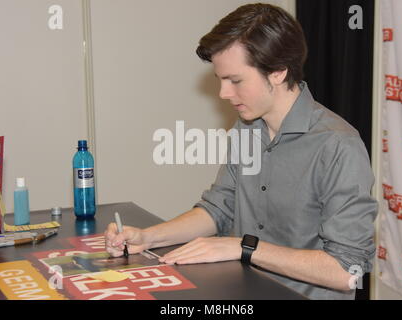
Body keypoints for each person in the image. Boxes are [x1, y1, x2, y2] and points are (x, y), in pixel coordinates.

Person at [105, 3, 377, 300]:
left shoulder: (338, 145)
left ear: (278, 72)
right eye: (220, 80)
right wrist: (148, 237)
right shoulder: (247, 128)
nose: (223, 93)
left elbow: (345, 270)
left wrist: (245, 247)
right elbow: (220, 208)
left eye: (235, 81)